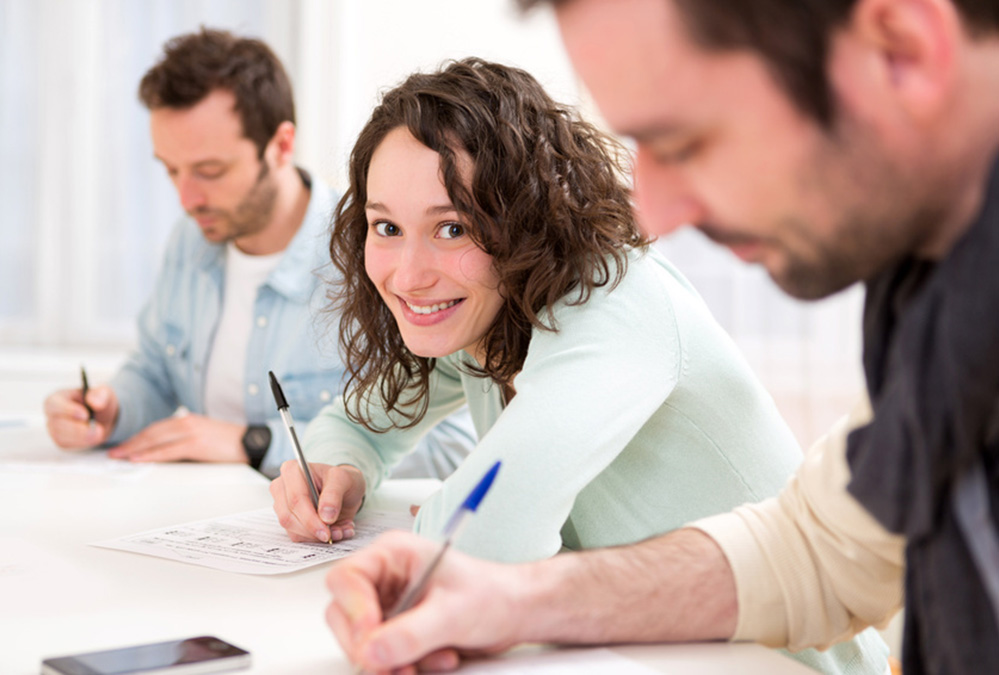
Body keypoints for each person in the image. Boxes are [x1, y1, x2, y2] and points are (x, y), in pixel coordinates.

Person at [322, 0, 999, 673]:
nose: (654, 210)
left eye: (686, 141)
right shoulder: (932, 290)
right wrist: (516, 600)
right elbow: (818, 550)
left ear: (901, 49)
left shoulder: (612, 297)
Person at [41, 28, 475, 480]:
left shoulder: (385, 258)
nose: (187, 199)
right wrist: (112, 409)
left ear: (282, 146)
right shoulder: (191, 242)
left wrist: (252, 442)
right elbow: (155, 371)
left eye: (210, 171)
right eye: (172, 170)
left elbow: (448, 447)